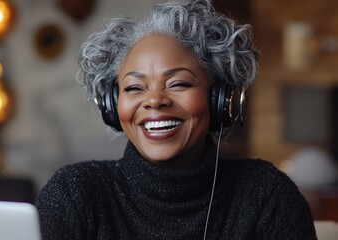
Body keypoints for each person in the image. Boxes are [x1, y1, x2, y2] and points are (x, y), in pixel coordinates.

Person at [35, 0, 317, 239]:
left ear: (220, 99)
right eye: (134, 87)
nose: (155, 100)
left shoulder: (267, 197)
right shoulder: (74, 195)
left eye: (179, 84)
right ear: (112, 106)